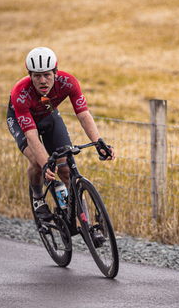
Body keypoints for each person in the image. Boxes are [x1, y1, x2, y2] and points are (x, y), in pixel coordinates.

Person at [7, 46, 115, 222]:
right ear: (30, 75)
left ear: (56, 72)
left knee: (65, 168)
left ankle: (85, 224)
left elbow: (83, 115)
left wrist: (99, 143)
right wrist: (45, 165)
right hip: (22, 122)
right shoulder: (20, 93)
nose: (43, 81)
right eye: (37, 76)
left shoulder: (68, 82)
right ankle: (38, 198)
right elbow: (32, 135)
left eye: (47, 75)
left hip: (47, 112)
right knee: (37, 162)